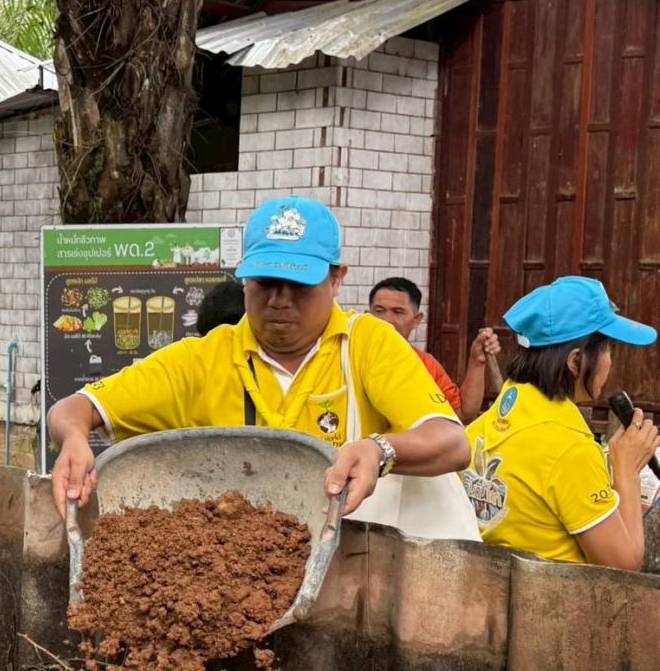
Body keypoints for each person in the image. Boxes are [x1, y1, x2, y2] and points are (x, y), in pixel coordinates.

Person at [48, 196, 470, 517]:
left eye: (299, 285)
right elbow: (74, 408)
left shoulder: (367, 344)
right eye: (265, 283)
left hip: (357, 567)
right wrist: (74, 439)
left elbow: (451, 443)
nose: (280, 301)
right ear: (244, 277)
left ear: (337, 279)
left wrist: (380, 449)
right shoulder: (204, 359)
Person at [464, 276, 658, 570]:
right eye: (607, 349)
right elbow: (623, 567)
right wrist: (627, 471)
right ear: (576, 361)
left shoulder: (479, 429)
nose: (610, 362)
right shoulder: (569, 450)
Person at [367, 277, 498, 422]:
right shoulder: (350, 354)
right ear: (366, 316)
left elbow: (462, 414)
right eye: (379, 311)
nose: (387, 320)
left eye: (398, 312)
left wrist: (476, 362)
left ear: (416, 320)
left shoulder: (424, 364)